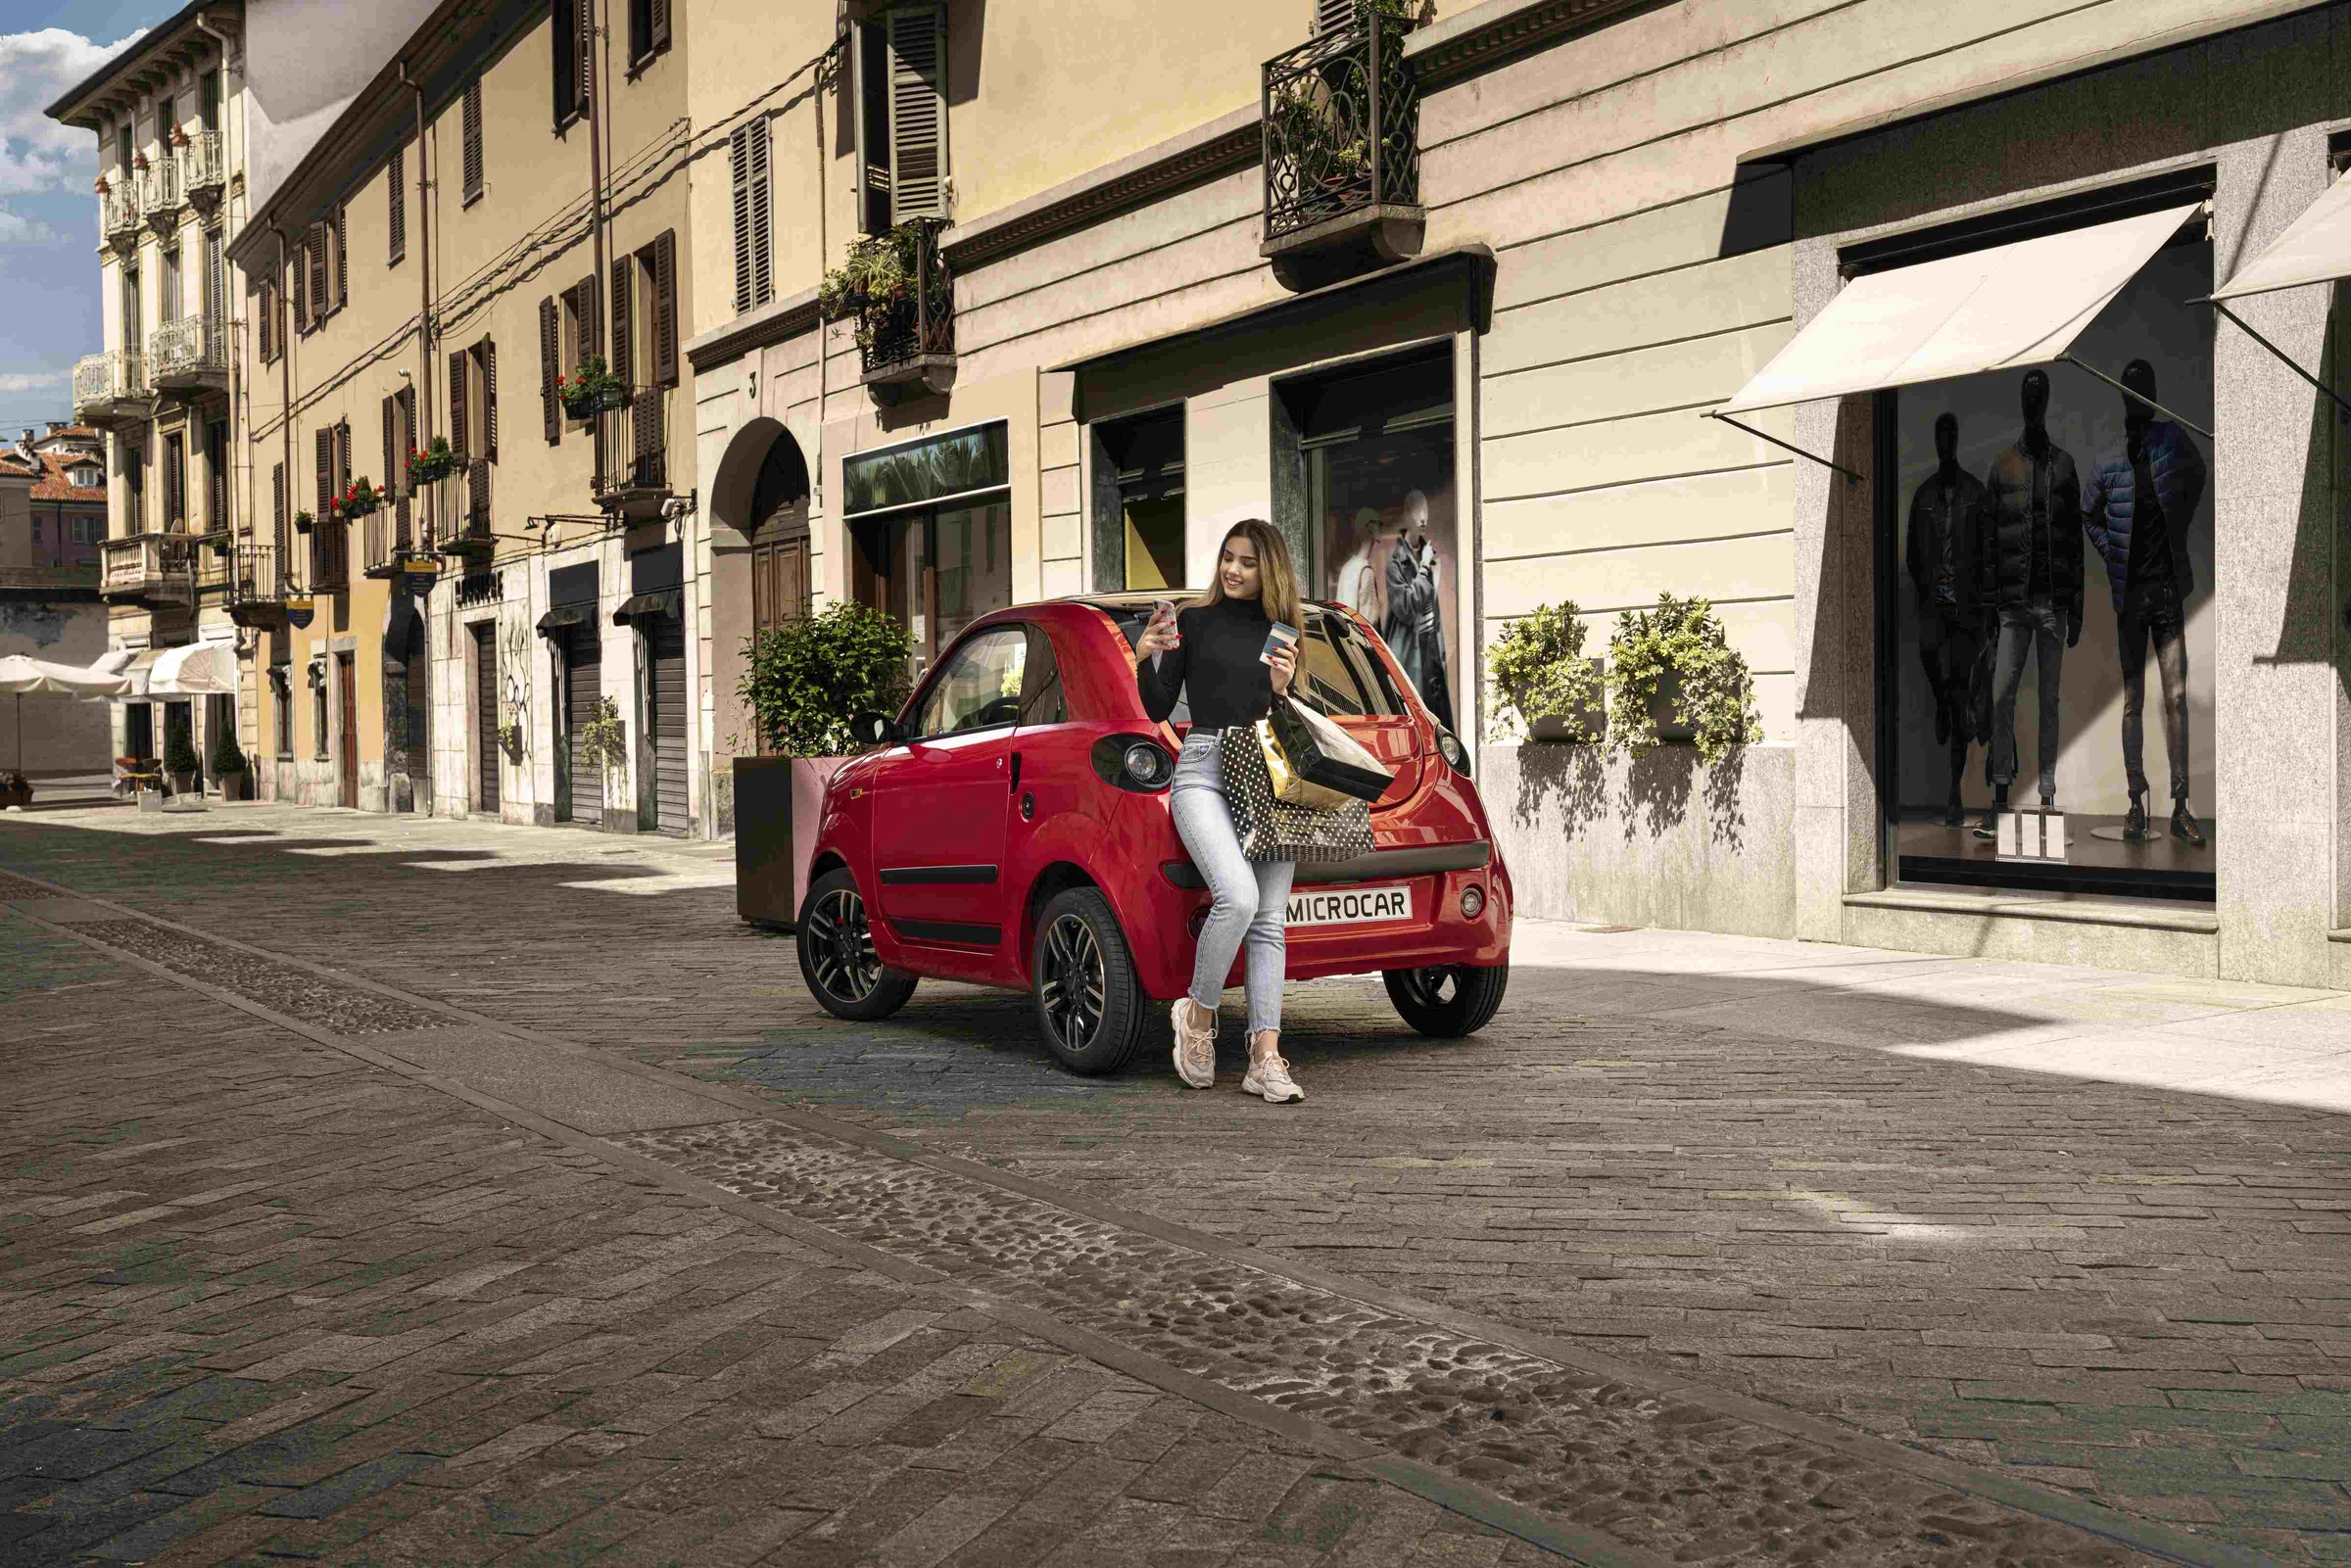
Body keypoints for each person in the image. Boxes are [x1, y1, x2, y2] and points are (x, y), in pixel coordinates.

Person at [1134, 519, 1308, 1105]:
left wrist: (1284, 689)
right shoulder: (1195, 620)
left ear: (1269, 570)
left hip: (1264, 772)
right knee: (1238, 897)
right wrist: (1145, 656)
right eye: (1228, 558)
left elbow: (1283, 719)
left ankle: (1265, 1057)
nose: (1233, 570)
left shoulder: (1281, 631)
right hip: (1204, 769)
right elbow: (1158, 704)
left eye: (1247, 562)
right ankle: (1198, 1016)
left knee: (1269, 922)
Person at [2083, 358, 2207, 848]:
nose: (2138, 399)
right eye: (2132, 392)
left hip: (2167, 593)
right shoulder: (2111, 458)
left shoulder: (2172, 441)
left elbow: (2197, 476)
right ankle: (2136, 803)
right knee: (2132, 701)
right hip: (2130, 600)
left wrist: (2176, 524)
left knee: (2174, 698)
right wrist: (2111, 549)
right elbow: (2088, 512)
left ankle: (2180, 807)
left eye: (2143, 392)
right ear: (2123, 397)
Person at [1974, 368, 2084, 834]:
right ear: (2022, 404)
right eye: (2028, 395)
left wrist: (2075, 606)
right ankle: (1999, 798)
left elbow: (2074, 543)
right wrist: (1990, 610)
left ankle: (2046, 797)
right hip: (2014, 609)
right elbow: (1988, 548)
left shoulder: (2065, 465)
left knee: (2050, 704)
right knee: (2001, 698)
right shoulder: (2002, 468)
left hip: (2052, 604)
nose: (2033, 402)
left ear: (2047, 402)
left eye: (2039, 396)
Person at [1905, 412, 1988, 827]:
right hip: (1935, 605)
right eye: (1940, 435)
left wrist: (1984, 611)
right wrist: (1927, 590)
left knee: (1960, 699)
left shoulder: (1975, 492)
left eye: (1951, 434)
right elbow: (1912, 555)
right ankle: (1938, 700)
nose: (1946, 442)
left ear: (1957, 439)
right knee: (1928, 657)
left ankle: (1953, 791)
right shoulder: (1924, 497)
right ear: (1936, 442)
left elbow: (1989, 555)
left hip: (1967, 612)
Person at [1381, 490, 1456, 732]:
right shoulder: (1396, 563)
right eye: (1416, 511)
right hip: (1409, 657)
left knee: (1437, 726)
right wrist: (1424, 568)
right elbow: (1405, 607)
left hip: (1430, 652)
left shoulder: (1430, 556)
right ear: (1406, 515)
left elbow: (1433, 612)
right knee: (1415, 726)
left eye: (1425, 511)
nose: (1423, 518)